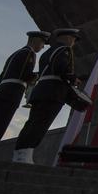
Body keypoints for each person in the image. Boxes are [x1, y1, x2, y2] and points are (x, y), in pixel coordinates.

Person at [0, 31, 50, 158]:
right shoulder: (28, 53)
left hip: (4, 90)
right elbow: (24, 75)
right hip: (11, 93)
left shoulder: (17, 53)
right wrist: (38, 76)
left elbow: (1, 77)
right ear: (35, 40)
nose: (42, 47)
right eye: (42, 43)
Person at [13, 28, 82, 164]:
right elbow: (61, 68)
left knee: (32, 123)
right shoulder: (64, 50)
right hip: (53, 92)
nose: (74, 42)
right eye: (74, 39)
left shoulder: (48, 52)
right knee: (41, 124)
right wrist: (73, 78)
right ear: (68, 38)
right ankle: (25, 153)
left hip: (41, 91)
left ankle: (21, 153)